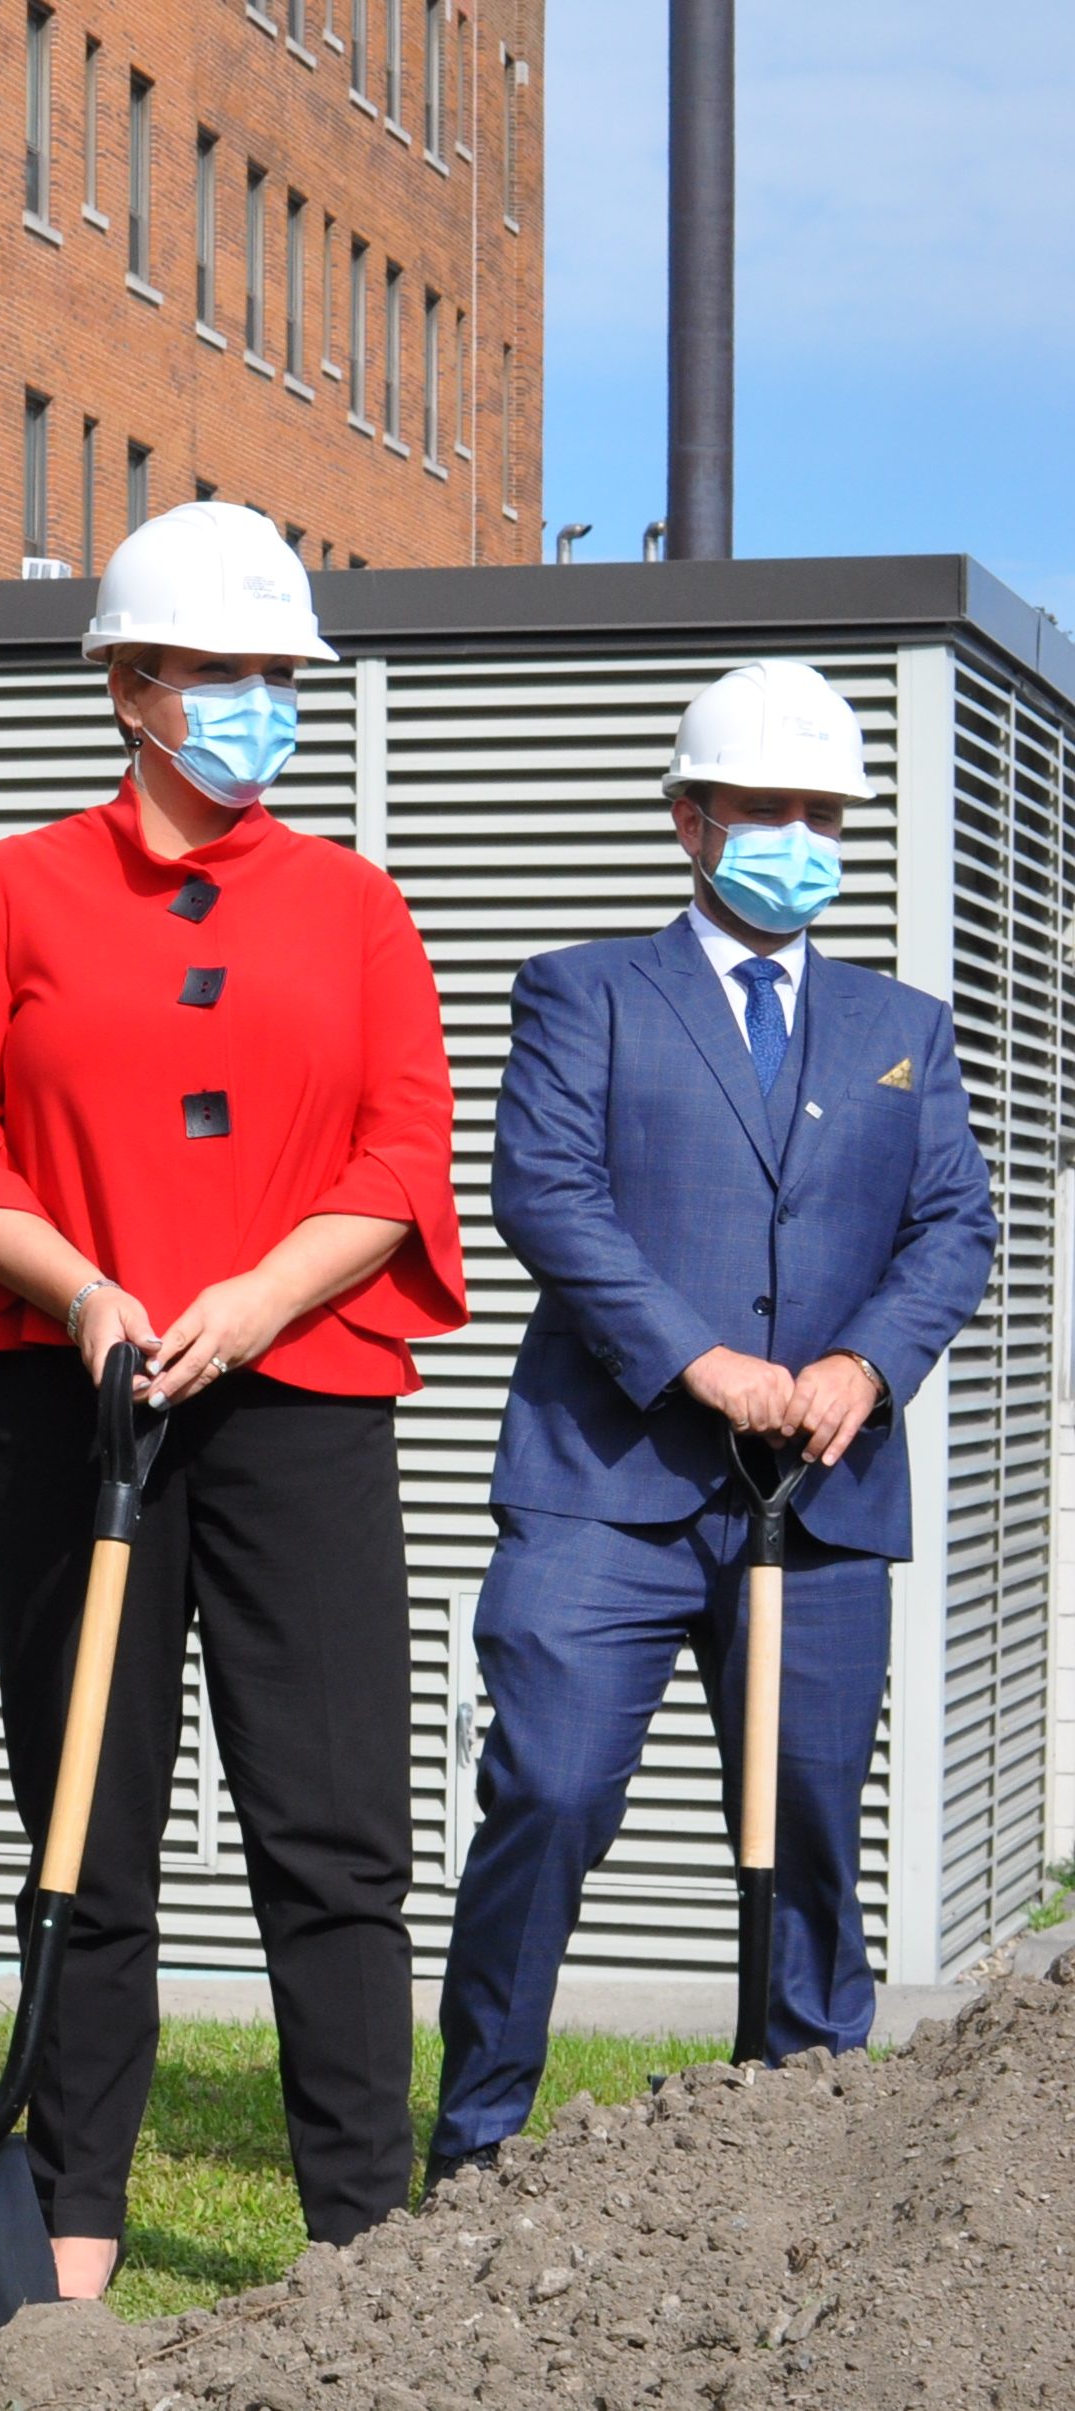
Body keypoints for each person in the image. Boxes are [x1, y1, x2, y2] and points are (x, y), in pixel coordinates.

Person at [0, 502, 464, 2277]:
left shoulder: (356, 909)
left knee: (334, 1825)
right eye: (225, 677)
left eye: (278, 678)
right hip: (80, 1402)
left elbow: (397, 1158)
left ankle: (361, 2241)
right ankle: (71, 2242)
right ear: (131, 687)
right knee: (88, 1818)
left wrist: (257, 1301)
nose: (258, 709)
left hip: (301, 1401)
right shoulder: (8, 892)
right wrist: (85, 1296)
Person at [427, 661, 995, 2187]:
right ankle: (477, 2144)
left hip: (821, 1496)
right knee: (545, 1794)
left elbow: (953, 1229)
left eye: (823, 814)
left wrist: (862, 1369)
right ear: (691, 821)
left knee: (810, 1820)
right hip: (603, 1486)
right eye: (767, 811)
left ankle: (807, 2140)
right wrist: (701, 1365)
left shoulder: (903, 1027)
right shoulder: (585, 990)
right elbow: (549, 1196)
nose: (799, 837)